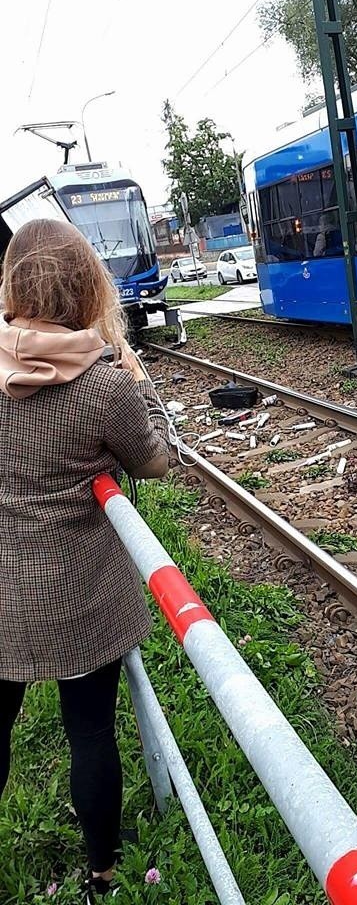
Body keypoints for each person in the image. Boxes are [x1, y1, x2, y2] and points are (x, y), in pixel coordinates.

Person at [0, 219, 171, 902]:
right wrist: (134, 370)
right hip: (78, 595)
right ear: (86, 287)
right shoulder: (102, 384)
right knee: (90, 731)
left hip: (2, 593)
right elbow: (155, 461)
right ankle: (102, 870)